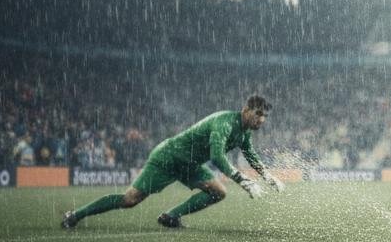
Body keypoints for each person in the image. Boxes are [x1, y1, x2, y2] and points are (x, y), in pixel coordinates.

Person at [61, 95, 283, 229]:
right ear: (245, 110)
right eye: (258, 114)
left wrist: (268, 176)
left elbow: (251, 154)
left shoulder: (244, 133)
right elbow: (217, 156)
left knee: (218, 192)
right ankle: (75, 215)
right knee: (130, 200)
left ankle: (170, 217)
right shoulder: (224, 122)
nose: (261, 120)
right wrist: (242, 179)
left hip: (189, 165)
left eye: (264, 117)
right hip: (168, 157)